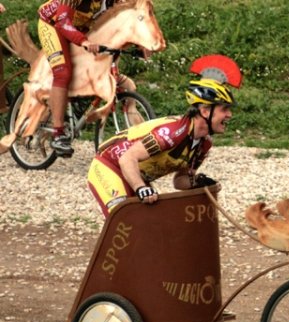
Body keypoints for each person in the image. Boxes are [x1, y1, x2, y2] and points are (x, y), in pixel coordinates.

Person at [87, 78, 235, 217]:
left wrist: (199, 182)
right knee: (124, 218)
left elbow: (180, 181)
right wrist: (140, 188)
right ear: (205, 111)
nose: (230, 115)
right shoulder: (173, 133)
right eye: (224, 109)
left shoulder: (203, 144)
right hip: (109, 165)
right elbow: (127, 158)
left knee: (150, 224)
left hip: (135, 173)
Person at [38, 0, 116, 157]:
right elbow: (62, 22)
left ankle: (72, 101)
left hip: (79, 26)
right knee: (63, 72)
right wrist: (84, 41)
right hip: (54, 25)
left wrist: (142, 45)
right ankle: (58, 134)